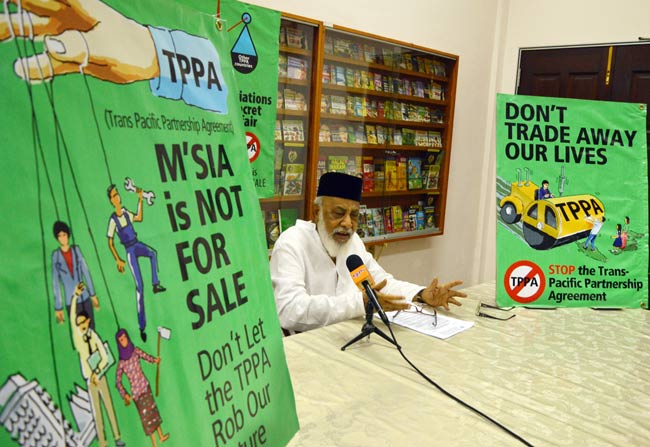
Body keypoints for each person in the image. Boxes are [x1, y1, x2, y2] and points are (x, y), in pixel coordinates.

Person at [270, 172, 467, 333]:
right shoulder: (292, 243)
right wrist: (360, 303)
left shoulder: (352, 242)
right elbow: (289, 310)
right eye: (339, 213)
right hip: (307, 346)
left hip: (348, 335)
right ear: (316, 213)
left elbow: (382, 283)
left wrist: (421, 294)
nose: (348, 223)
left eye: (354, 215)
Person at [107, 184, 165, 342]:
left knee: (152, 253)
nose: (117, 197)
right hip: (129, 251)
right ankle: (142, 326)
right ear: (111, 200)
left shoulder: (125, 212)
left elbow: (139, 217)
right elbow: (110, 242)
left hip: (137, 244)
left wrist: (140, 200)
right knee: (139, 286)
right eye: (114, 196)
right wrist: (118, 259)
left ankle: (155, 284)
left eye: (117, 194)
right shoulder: (113, 220)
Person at [69, 283, 125, 447]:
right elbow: (72, 319)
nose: (81, 325)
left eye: (83, 322)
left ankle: (117, 437)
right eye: (79, 323)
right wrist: (75, 297)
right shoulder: (78, 339)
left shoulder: (93, 336)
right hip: (90, 380)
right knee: (97, 413)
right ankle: (103, 442)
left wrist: (98, 371)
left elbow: (105, 356)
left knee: (109, 407)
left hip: (100, 376)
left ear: (88, 321)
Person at [115, 329, 169, 447]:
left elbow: (145, 356)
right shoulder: (121, 363)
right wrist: (125, 394)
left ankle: (161, 436)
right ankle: (154, 444)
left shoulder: (135, 351)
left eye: (124, 337)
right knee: (146, 418)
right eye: (121, 340)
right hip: (136, 393)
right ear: (119, 343)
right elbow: (118, 382)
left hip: (144, 386)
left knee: (153, 411)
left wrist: (154, 360)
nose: (124, 341)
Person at [51, 221, 99, 328]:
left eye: (64, 235)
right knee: (78, 331)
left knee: (91, 328)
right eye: (59, 236)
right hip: (71, 301)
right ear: (57, 238)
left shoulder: (76, 250)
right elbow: (56, 283)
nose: (62, 238)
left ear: (68, 235)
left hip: (85, 297)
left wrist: (93, 294)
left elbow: (86, 272)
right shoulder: (56, 256)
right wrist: (58, 307)